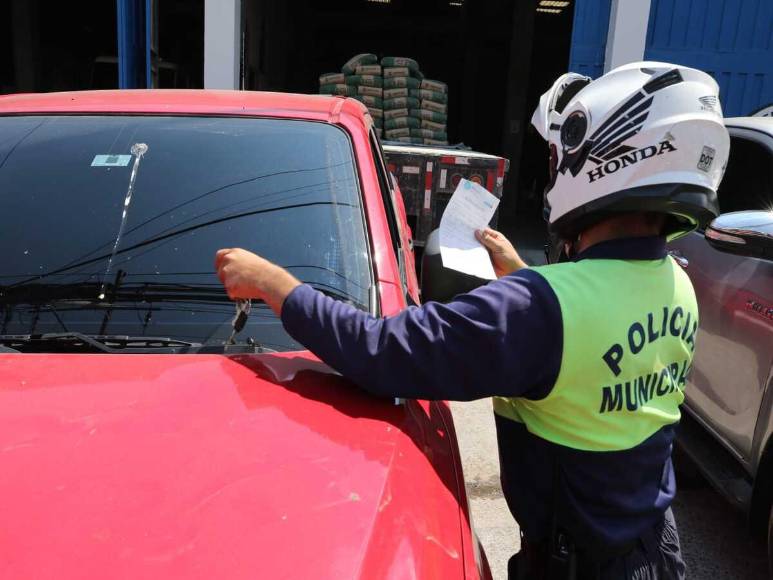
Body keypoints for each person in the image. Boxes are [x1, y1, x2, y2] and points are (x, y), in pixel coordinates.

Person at [215, 61, 729, 579]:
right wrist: (524, 276)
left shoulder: (542, 309)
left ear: (595, 161)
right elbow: (593, 343)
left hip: (576, 564)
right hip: (653, 551)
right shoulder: (674, 283)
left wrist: (273, 283)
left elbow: (383, 351)